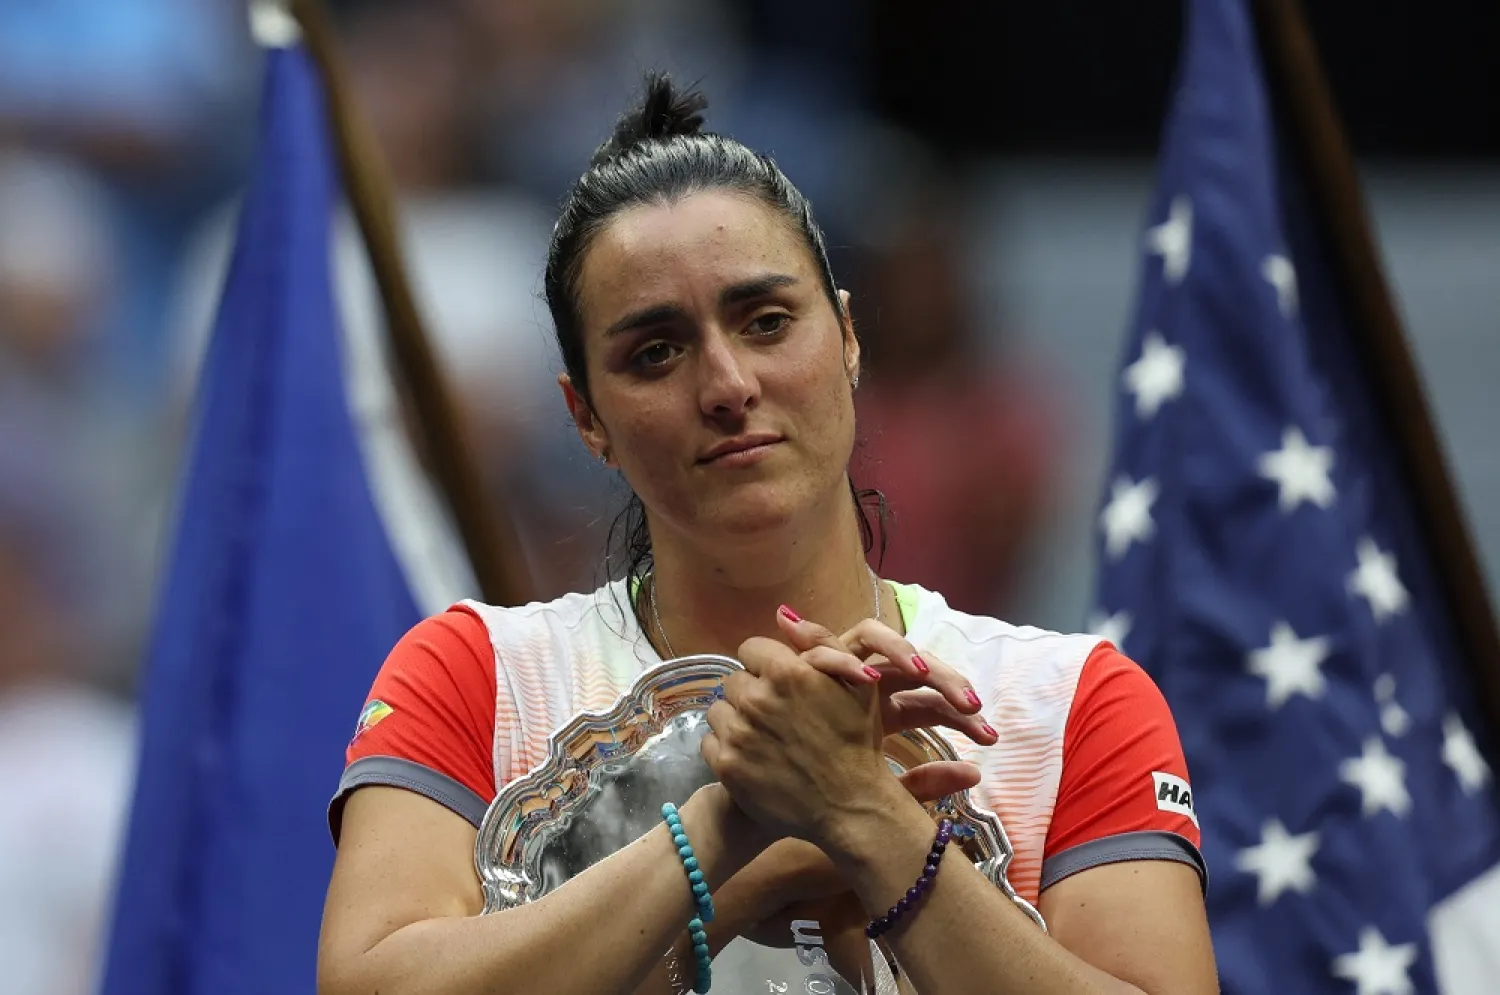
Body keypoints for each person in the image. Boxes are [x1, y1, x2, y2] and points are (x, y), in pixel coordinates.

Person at [317, 75, 1218, 995]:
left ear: (850, 337)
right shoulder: (472, 673)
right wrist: (718, 832)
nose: (726, 383)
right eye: (654, 352)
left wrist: (868, 814)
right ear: (585, 416)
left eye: (768, 321)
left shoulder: (1071, 706)